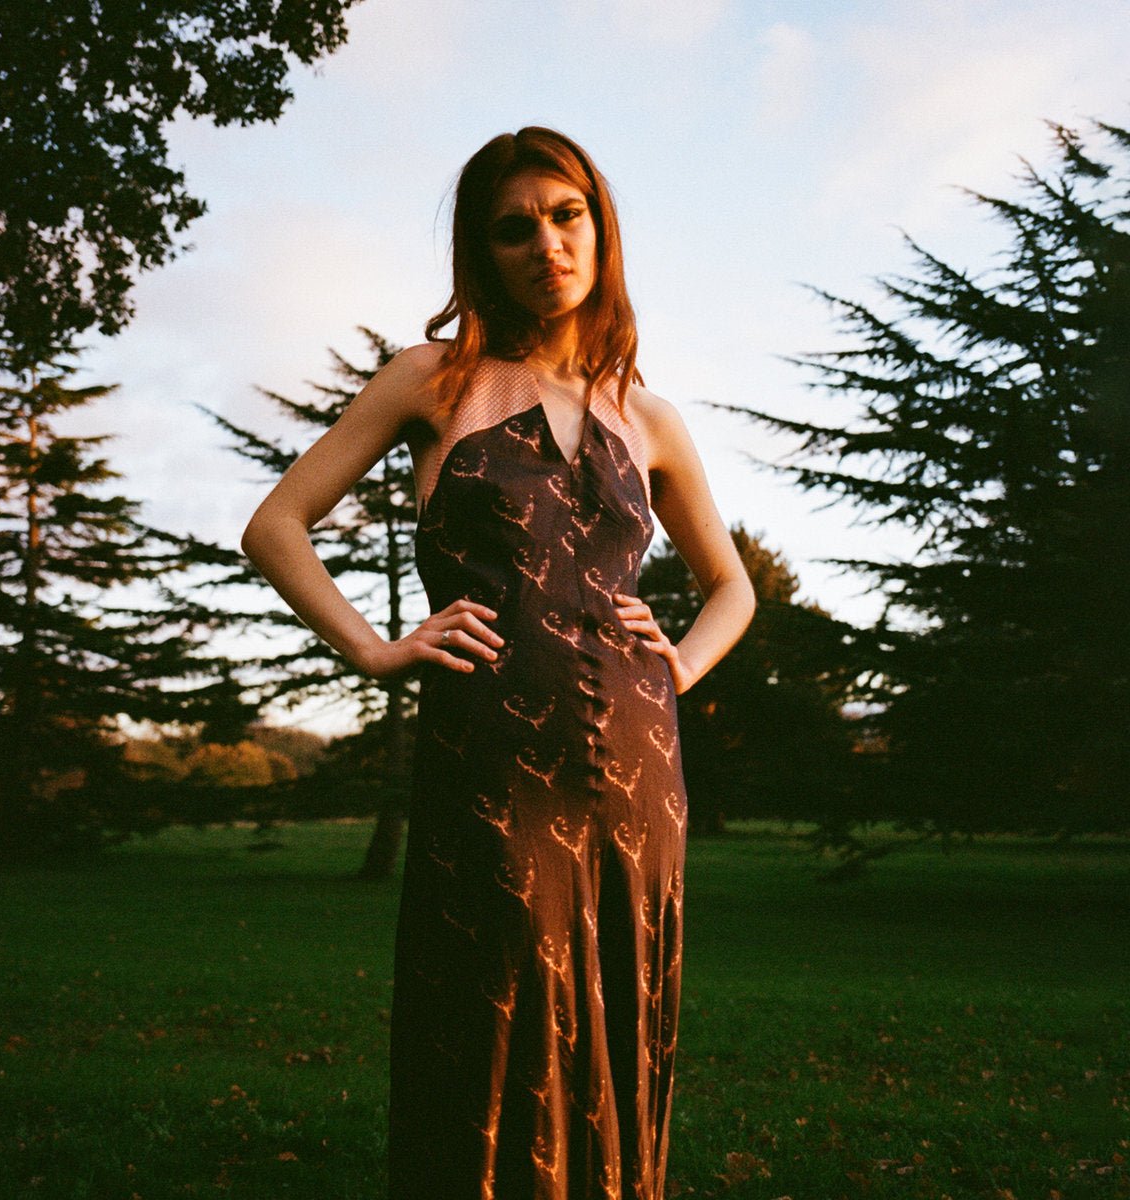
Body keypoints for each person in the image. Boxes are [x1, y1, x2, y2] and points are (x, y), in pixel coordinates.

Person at [241, 126, 756, 1200]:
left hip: (638, 768)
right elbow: (277, 525)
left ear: (601, 231)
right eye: (515, 229)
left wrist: (676, 669)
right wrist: (377, 648)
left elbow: (732, 587)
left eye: (567, 217)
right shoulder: (434, 381)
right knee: (488, 1006)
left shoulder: (649, 416)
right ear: (483, 251)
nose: (547, 246)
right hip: (492, 758)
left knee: (618, 1007)